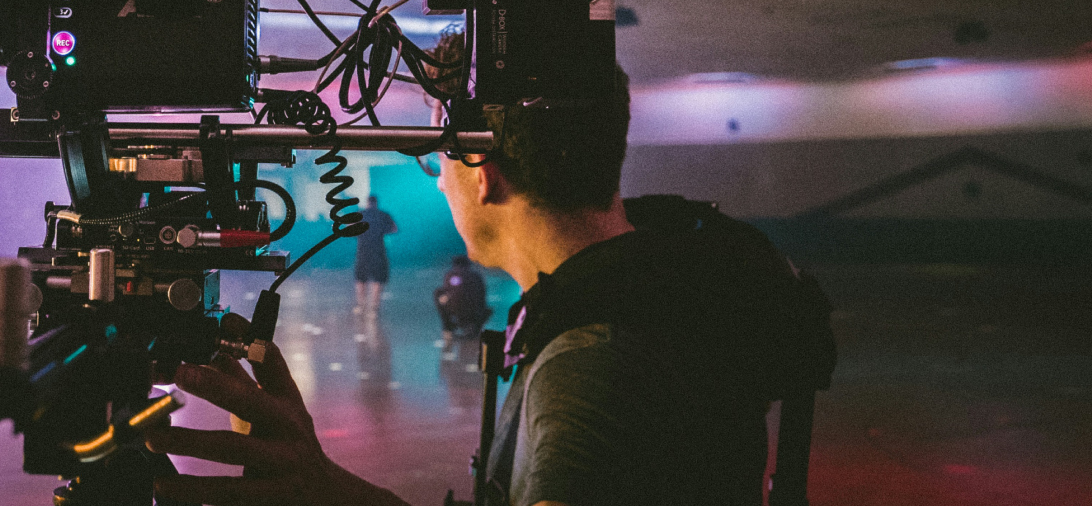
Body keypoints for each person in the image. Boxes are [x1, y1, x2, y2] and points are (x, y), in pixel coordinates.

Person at [145, 54, 834, 506]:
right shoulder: (652, 291)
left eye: (437, 165)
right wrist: (325, 486)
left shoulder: (592, 367)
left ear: (483, 173)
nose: (439, 182)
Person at [353, 194, 399, 318]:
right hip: (379, 251)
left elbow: (349, 228)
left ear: (367, 202)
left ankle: (361, 306)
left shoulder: (360, 215)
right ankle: (374, 307)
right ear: (376, 203)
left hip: (363, 251)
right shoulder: (384, 215)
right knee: (378, 280)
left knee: (361, 280)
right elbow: (394, 229)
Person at [435, 255, 492, 347]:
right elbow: (482, 297)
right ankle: (473, 328)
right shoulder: (476, 276)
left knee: (438, 293)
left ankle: (448, 327)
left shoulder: (452, 275)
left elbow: (453, 291)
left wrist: (447, 297)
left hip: (459, 310)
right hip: (475, 312)